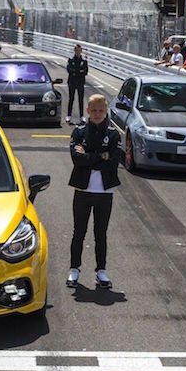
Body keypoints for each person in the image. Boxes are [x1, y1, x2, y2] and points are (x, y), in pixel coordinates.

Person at [66, 94, 121, 289]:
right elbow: (76, 159)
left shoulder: (113, 134)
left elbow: (114, 162)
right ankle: (74, 269)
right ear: (87, 111)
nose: (97, 114)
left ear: (106, 111)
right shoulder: (79, 132)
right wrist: (101, 156)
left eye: (101, 111)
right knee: (79, 231)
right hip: (82, 189)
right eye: (94, 110)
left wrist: (90, 156)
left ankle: (101, 270)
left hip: (105, 192)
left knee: (101, 233)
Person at [66, 44, 88, 124]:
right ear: (74, 51)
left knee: (81, 100)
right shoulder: (71, 60)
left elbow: (85, 72)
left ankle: (82, 116)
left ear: (81, 51)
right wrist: (78, 72)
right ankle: (69, 115)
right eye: (76, 50)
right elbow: (69, 70)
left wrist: (76, 72)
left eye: (79, 50)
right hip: (72, 82)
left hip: (80, 82)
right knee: (71, 99)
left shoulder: (84, 62)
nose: (78, 52)